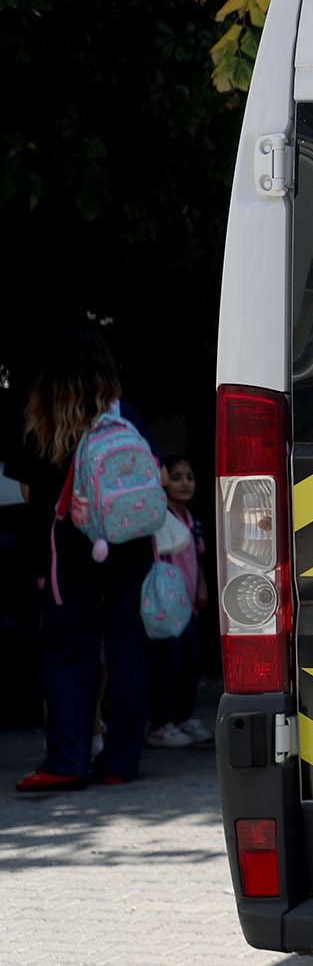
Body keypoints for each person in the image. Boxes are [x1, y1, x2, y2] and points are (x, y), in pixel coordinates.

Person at [13, 329, 156, 793]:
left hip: (70, 552)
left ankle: (67, 761)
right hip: (129, 546)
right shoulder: (126, 416)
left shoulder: (44, 426)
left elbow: (32, 498)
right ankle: (120, 761)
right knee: (127, 648)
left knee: (66, 653)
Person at [145, 456, 211, 750]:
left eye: (189, 477)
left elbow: (198, 557)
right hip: (166, 608)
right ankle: (161, 723)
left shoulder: (191, 520)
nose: (184, 483)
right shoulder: (158, 517)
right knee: (166, 666)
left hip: (188, 607)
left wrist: (202, 586)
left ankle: (184, 717)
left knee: (190, 664)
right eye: (176, 477)